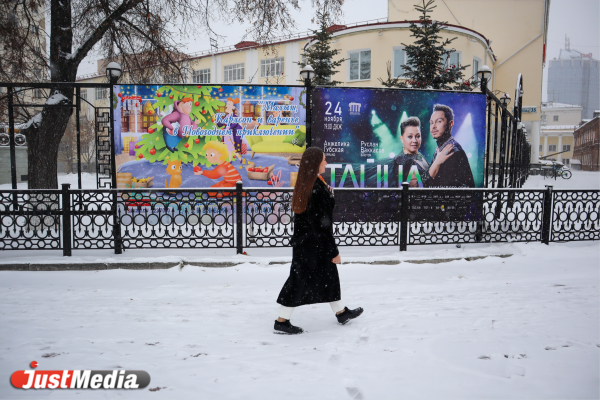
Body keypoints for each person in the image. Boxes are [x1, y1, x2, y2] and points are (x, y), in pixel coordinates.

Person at [274, 147, 363, 335]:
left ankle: (341, 312)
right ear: (315, 163)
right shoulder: (315, 187)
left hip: (308, 243)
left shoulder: (312, 183)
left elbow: (317, 218)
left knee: (328, 277)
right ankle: (281, 322)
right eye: (324, 160)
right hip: (312, 245)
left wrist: (328, 194)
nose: (326, 163)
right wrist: (334, 252)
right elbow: (321, 225)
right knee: (298, 281)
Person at [394, 116, 456, 187]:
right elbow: (417, 188)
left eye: (418, 136)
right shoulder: (401, 161)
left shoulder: (419, 155)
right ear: (402, 139)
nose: (414, 140)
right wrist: (437, 162)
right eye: (410, 137)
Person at [428, 104, 475, 188]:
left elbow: (444, 188)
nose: (433, 126)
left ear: (450, 124)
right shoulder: (440, 149)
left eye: (439, 121)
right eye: (431, 122)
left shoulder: (451, 151)